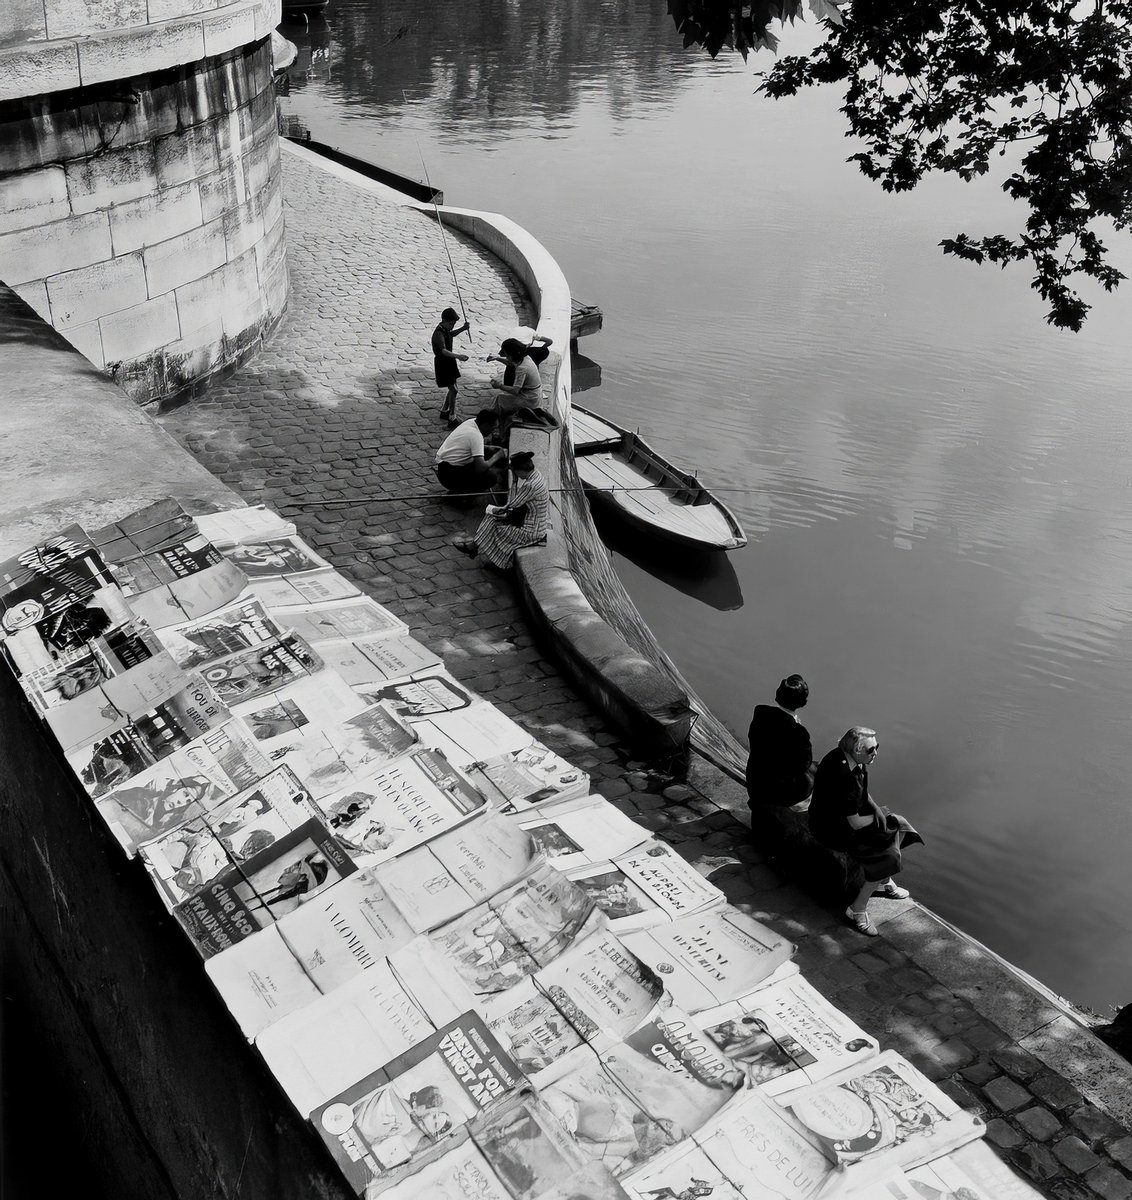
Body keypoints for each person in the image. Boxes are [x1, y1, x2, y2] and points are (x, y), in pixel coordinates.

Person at [809, 727, 923, 937]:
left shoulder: (850, 759)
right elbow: (856, 823)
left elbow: (862, 792)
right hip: (832, 828)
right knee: (889, 855)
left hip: (846, 819)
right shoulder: (842, 775)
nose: (876, 753)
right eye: (871, 749)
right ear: (856, 748)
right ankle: (857, 910)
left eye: (877, 747)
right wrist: (879, 816)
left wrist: (878, 810)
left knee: (900, 824)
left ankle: (883, 879)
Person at [452, 451, 549, 568]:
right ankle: (474, 547)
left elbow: (511, 504)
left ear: (518, 470)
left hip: (531, 532)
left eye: (515, 472)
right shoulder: (537, 476)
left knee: (494, 523)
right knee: (492, 518)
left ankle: (478, 549)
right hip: (534, 525)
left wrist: (514, 481)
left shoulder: (530, 485)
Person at [745, 674, 817, 812]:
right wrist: (796, 728)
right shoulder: (799, 733)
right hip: (775, 793)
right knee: (814, 774)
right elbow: (802, 766)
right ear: (802, 701)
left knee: (811, 767)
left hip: (754, 782)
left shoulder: (760, 712)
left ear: (778, 693)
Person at [434, 409, 508, 499]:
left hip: (444, 466)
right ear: (485, 425)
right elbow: (480, 468)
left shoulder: (471, 422)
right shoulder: (476, 435)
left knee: (490, 452)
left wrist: (488, 448)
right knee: (490, 478)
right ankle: (461, 496)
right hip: (449, 474)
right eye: (493, 428)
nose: (493, 432)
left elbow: (469, 443)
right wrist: (498, 456)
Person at [432, 306, 470, 426]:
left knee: (453, 387)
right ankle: (452, 417)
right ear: (444, 321)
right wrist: (458, 356)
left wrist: (463, 328)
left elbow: (451, 334)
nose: (452, 326)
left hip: (449, 362)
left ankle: (444, 410)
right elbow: (443, 351)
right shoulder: (438, 334)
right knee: (454, 390)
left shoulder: (445, 329)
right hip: (443, 364)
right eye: (451, 324)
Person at [490, 337, 544, 415]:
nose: (507, 358)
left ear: (513, 354)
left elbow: (515, 390)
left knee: (500, 398)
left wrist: (499, 386)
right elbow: (510, 362)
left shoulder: (521, 368)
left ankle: (496, 419)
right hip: (534, 395)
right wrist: (497, 358)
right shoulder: (526, 358)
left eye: (508, 355)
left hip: (530, 400)